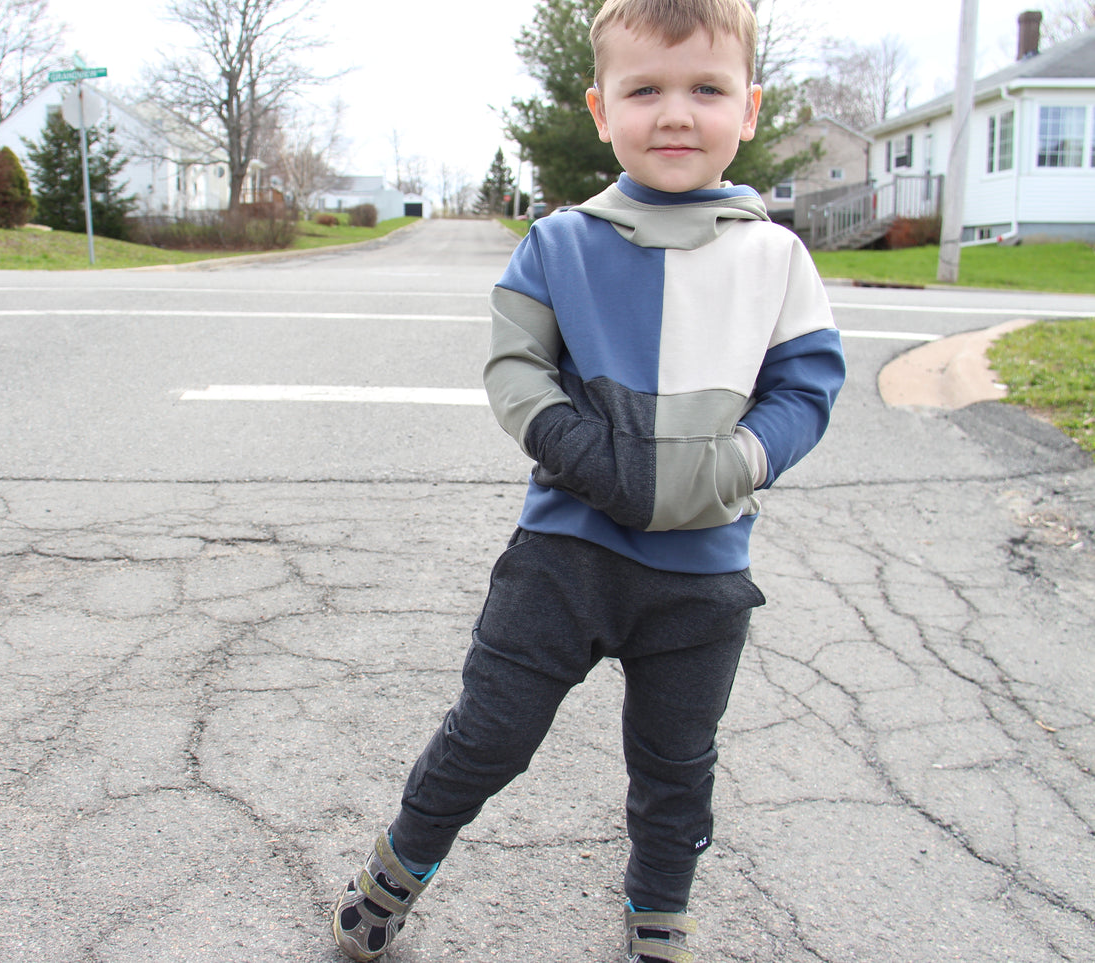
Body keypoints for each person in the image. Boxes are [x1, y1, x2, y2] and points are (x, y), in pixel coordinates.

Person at [331, 0, 846, 960]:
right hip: (565, 555)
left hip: (700, 574)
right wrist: (592, 460)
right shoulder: (560, 242)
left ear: (749, 107)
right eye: (644, 89)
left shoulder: (776, 256)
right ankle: (401, 864)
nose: (676, 114)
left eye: (706, 89)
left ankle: (658, 907)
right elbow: (516, 369)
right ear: (601, 109)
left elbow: (807, 386)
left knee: (675, 764)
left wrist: (737, 464)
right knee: (487, 736)